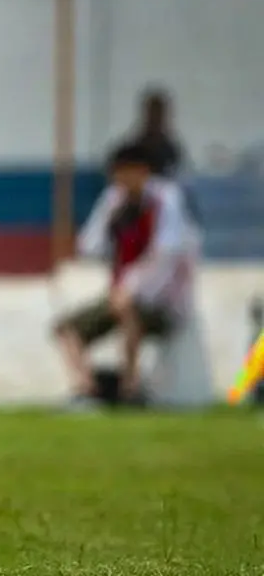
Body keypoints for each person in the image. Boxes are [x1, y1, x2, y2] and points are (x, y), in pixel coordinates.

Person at [53, 142, 199, 407]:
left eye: (125, 173)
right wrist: (113, 219)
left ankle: (129, 388)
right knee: (66, 330)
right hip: (120, 295)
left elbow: (166, 257)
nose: (120, 181)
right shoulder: (115, 200)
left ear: (142, 172)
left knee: (126, 308)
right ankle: (87, 389)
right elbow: (90, 245)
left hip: (163, 301)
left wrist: (131, 289)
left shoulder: (166, 200)